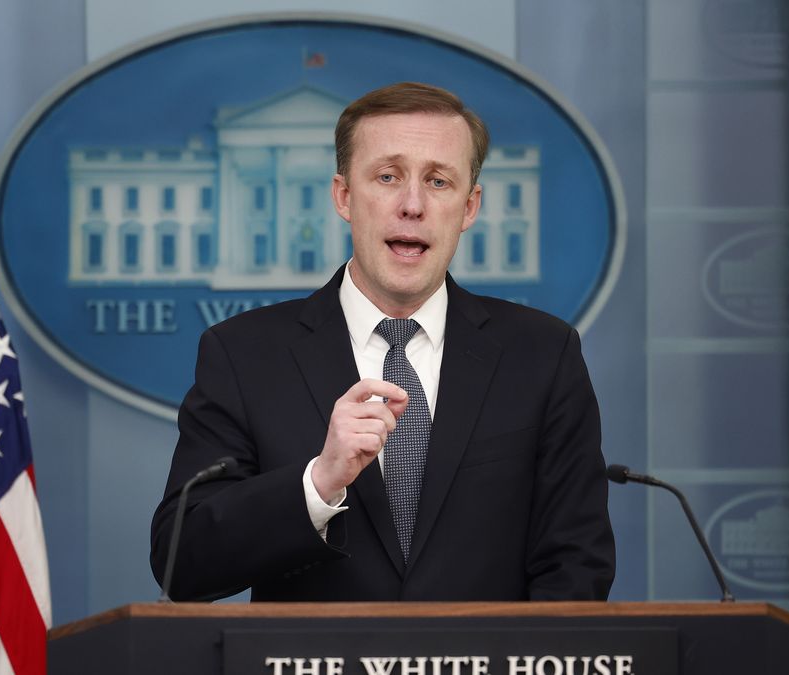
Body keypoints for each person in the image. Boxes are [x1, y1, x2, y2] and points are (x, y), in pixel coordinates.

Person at [150, 82, 615, 602]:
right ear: (344, 196)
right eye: (388, 177)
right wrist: (318, 483)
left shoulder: (544, 356)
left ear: (469, 207)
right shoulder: (244, 354)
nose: (412, 204)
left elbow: (576, 566)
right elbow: (181, 563)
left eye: (439, 181)